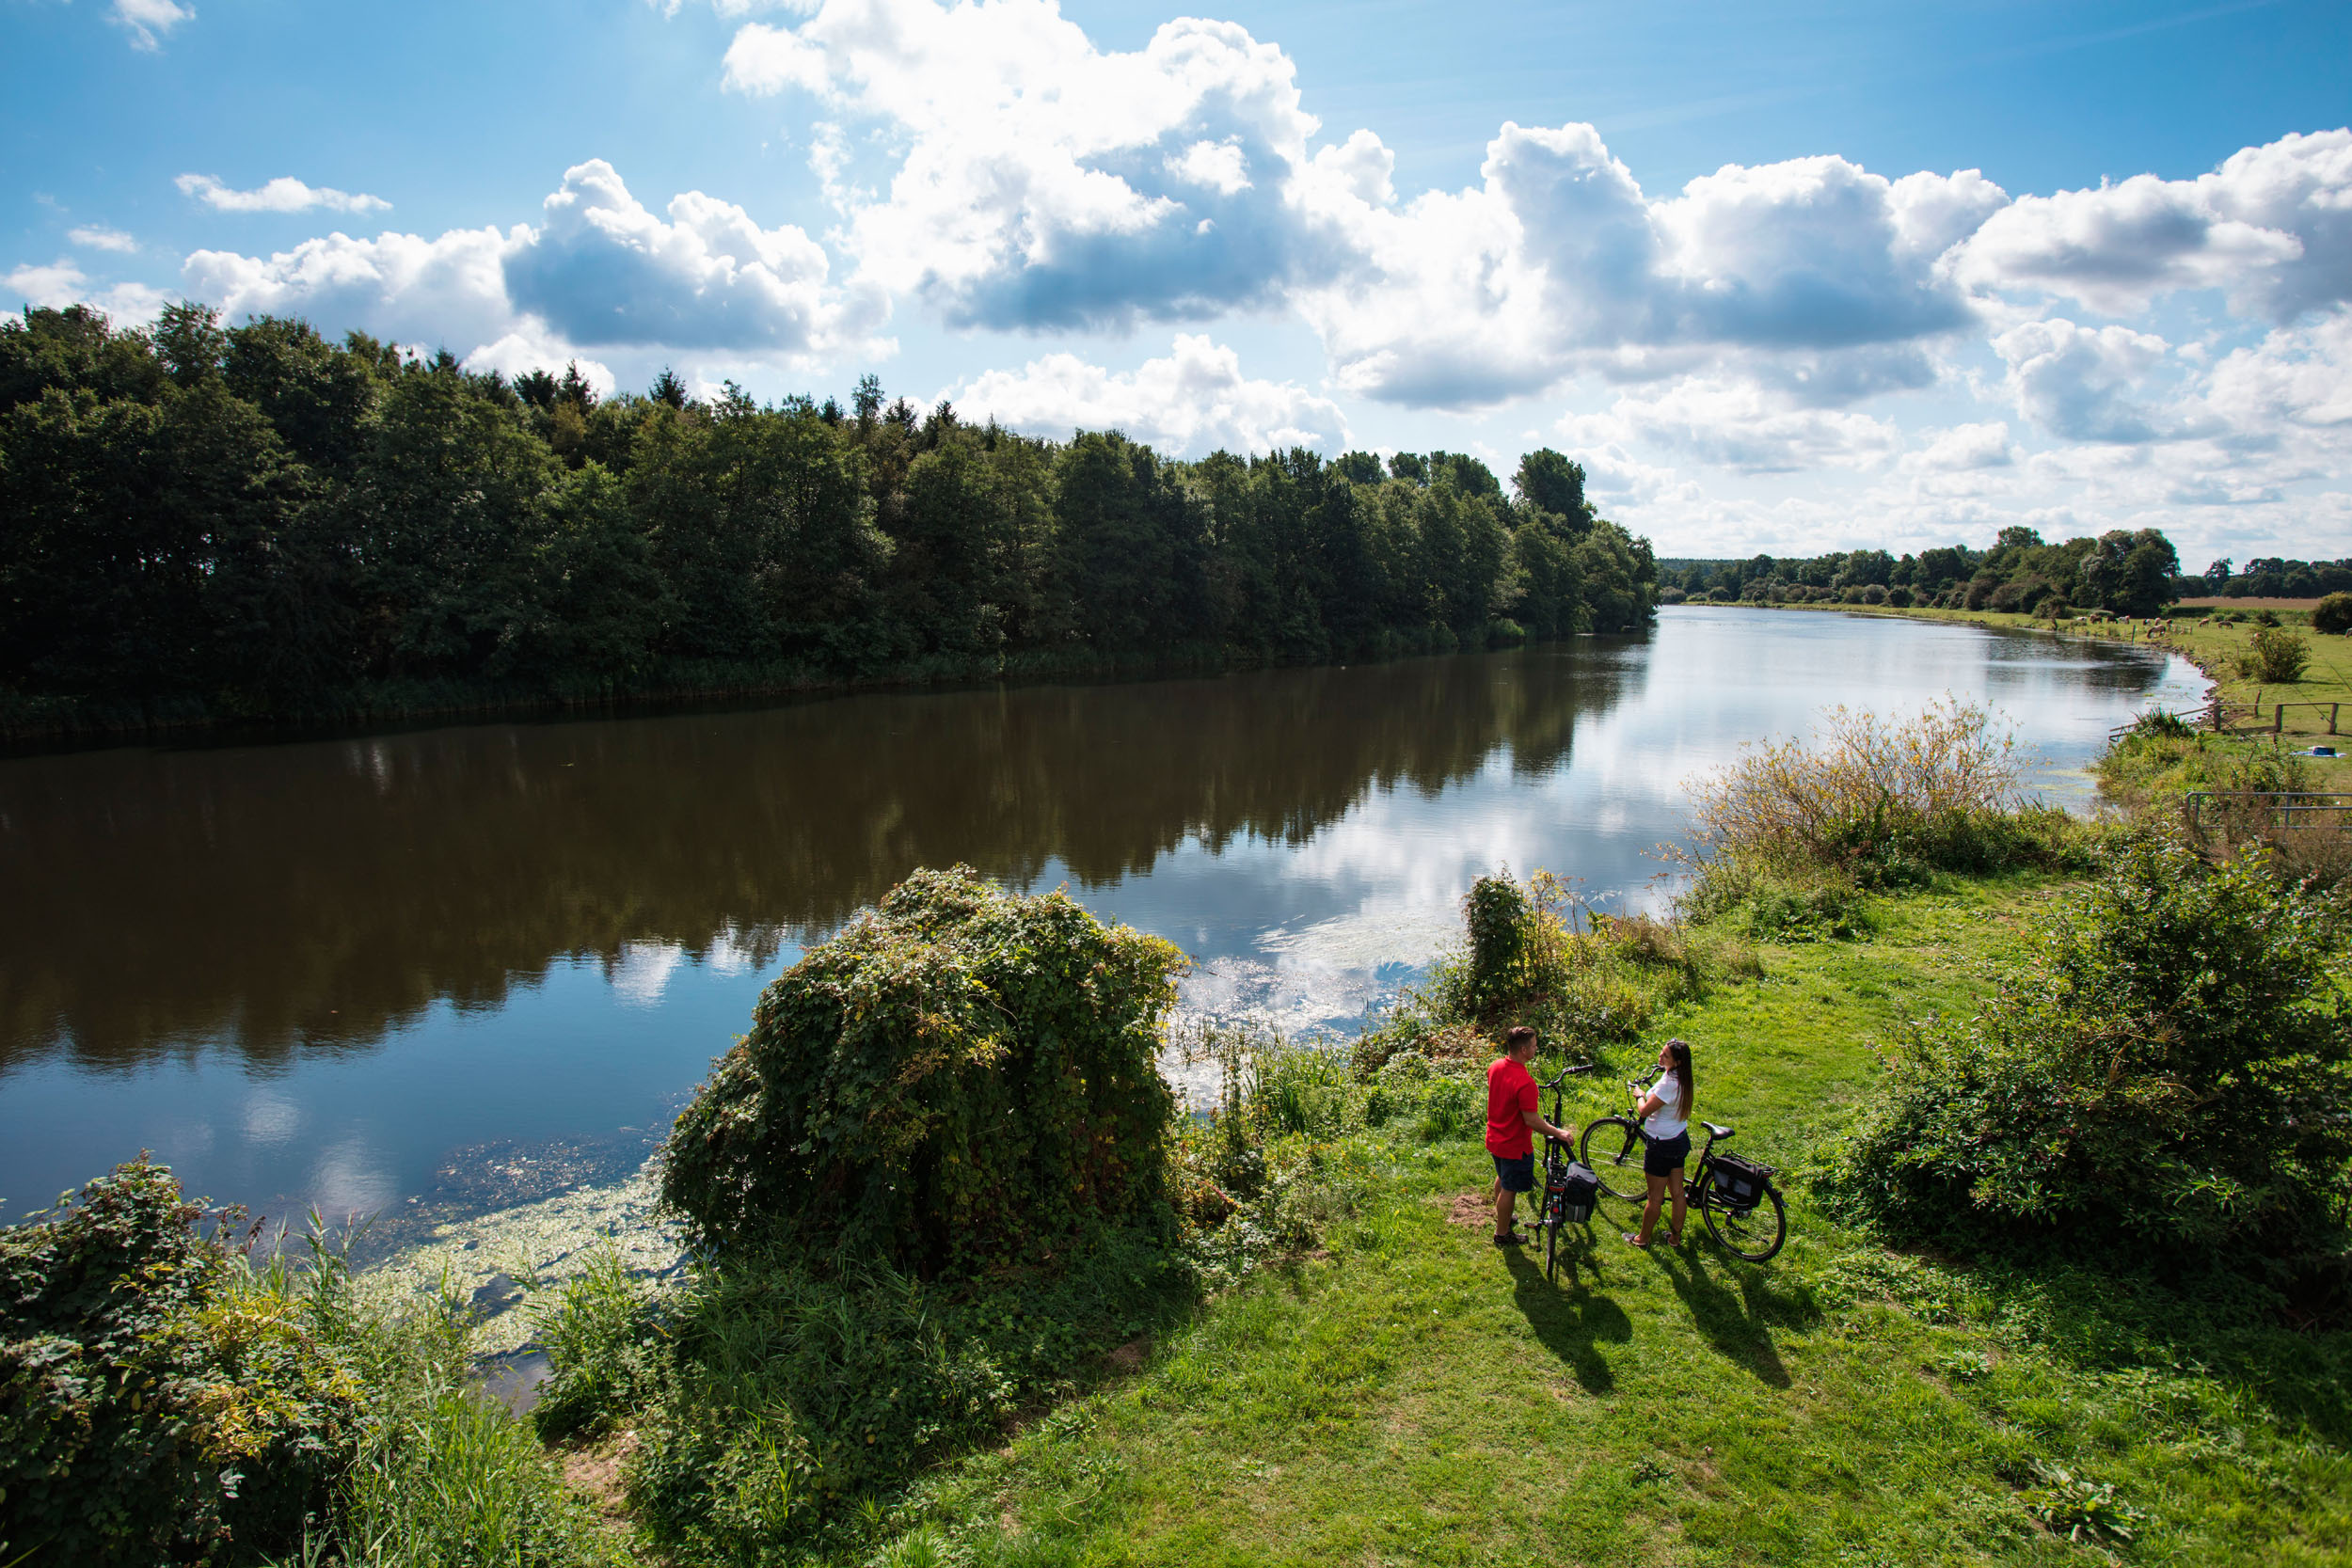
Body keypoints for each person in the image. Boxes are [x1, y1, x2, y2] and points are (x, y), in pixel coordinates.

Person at [1485, 1024, 1575, 1247]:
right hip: (1514, 1144)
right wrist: (1559, 1132)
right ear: (1524, 1050)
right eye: (1534, 1045)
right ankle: (1502, 1234)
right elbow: (1532, 1121)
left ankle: (1503, 1217)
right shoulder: (1526, 1084)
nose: (1536, 1049)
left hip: (1495, 1137)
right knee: (1509, 1188)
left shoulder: (1495, 1066)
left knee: (1502, 1177)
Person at [1626, 1037, 1694, 1248]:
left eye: (1665, 1055)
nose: (1660, 1057)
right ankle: (1675, 1238)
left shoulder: (1668, 1085)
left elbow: (1645, 1111)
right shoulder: (1682, 1077)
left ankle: (1641, 1239)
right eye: (1661, 1052)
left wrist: (1639, 1095)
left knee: (1655, 1198)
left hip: (1661, 1144)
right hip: (1678, 1139)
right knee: (1677, 1193)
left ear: (1677, 1061)